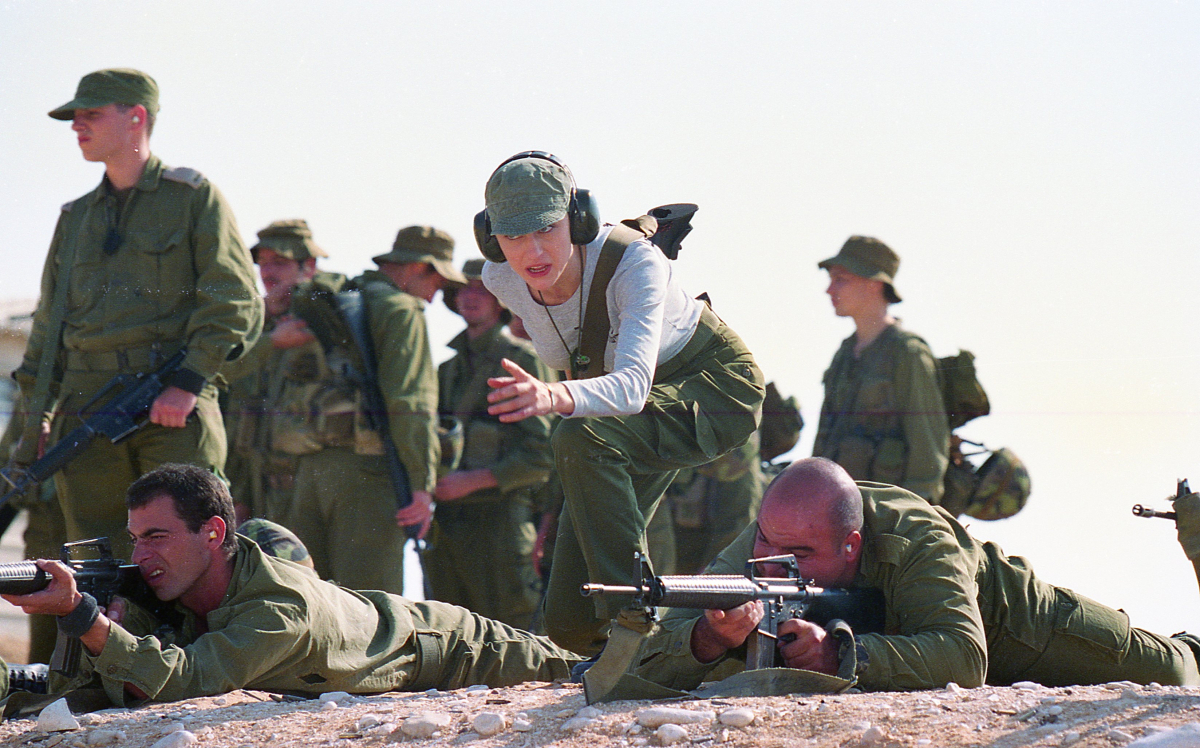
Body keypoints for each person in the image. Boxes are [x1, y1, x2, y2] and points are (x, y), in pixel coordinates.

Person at [477, 151, 765, 654]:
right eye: (513, 235)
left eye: (547, 228)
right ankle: (660, 647)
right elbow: (581, 362)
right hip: (620, 411)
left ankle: (638, 622)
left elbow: (631, 387)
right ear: (491, 238)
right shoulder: (501, 279)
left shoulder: (636, 263)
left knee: (578, 433)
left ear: (578, 218)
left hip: (714, 386)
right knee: (570, 621)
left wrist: (551, 395)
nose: (533, 249)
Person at [0, 464, 581, 706]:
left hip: (456, 648)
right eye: (134, 539)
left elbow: (189, 681)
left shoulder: (280, 603)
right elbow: (85, 695)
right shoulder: (170, 587)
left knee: (597, 676)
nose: (141, 554)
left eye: (156, 536)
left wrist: (82, 617)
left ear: (212, 533)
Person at [634, 458, 1200, 691]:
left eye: (800, 554)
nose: (773, 561)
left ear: (852, 546)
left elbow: (964, 656)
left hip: (1031, 632)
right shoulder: (768, 539)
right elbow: (650, 659)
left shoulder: (920, 539)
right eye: (765, 541)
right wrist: (707, 639)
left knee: (1179, 672)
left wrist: (840, 656)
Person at [10, 69, 262, 559]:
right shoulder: (75, 217)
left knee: (190, 560)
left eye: (91, 115)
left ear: (136, 118)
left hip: (170, 408)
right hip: (85, 408)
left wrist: (188, 382)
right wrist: (36, 416)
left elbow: (233, 297)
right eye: (75, 117)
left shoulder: (192, 198)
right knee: (98, 565)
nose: (76, 126)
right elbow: (48, 327)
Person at [275, 226, 464, 593]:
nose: (436, 295)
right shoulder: (401, 309)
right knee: (372, 610)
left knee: (312, 603)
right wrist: (422, 486)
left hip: (310, 471)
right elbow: (410, 403)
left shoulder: (337, 299)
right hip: (368, 476)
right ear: (418, 268)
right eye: (438, 281)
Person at [425, 259, 555, 628]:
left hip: (502, 516)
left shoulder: (521, 360)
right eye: (462, 289)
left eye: (481, 289)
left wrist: (475, 480)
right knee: (451, 624)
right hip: (450, 518)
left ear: (501, 300)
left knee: (514, 627)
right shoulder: (447, 370)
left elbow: (542, 453)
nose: (469, 296)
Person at [811, 237, 949, 504]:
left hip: (887, 514)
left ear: (874, 283)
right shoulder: (845, 354)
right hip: (840, 511)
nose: (829, 289)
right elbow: (824, 440)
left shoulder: (907, 353)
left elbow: (928, 452)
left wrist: (914, 519)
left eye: (841, 279)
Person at [222, 219, 327, 523]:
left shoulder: (327, 318)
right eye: (262, 263)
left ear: (308, 265)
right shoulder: (256, 324)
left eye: (279, 262)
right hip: (258, 486)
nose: (267, 273)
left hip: (310, 486)